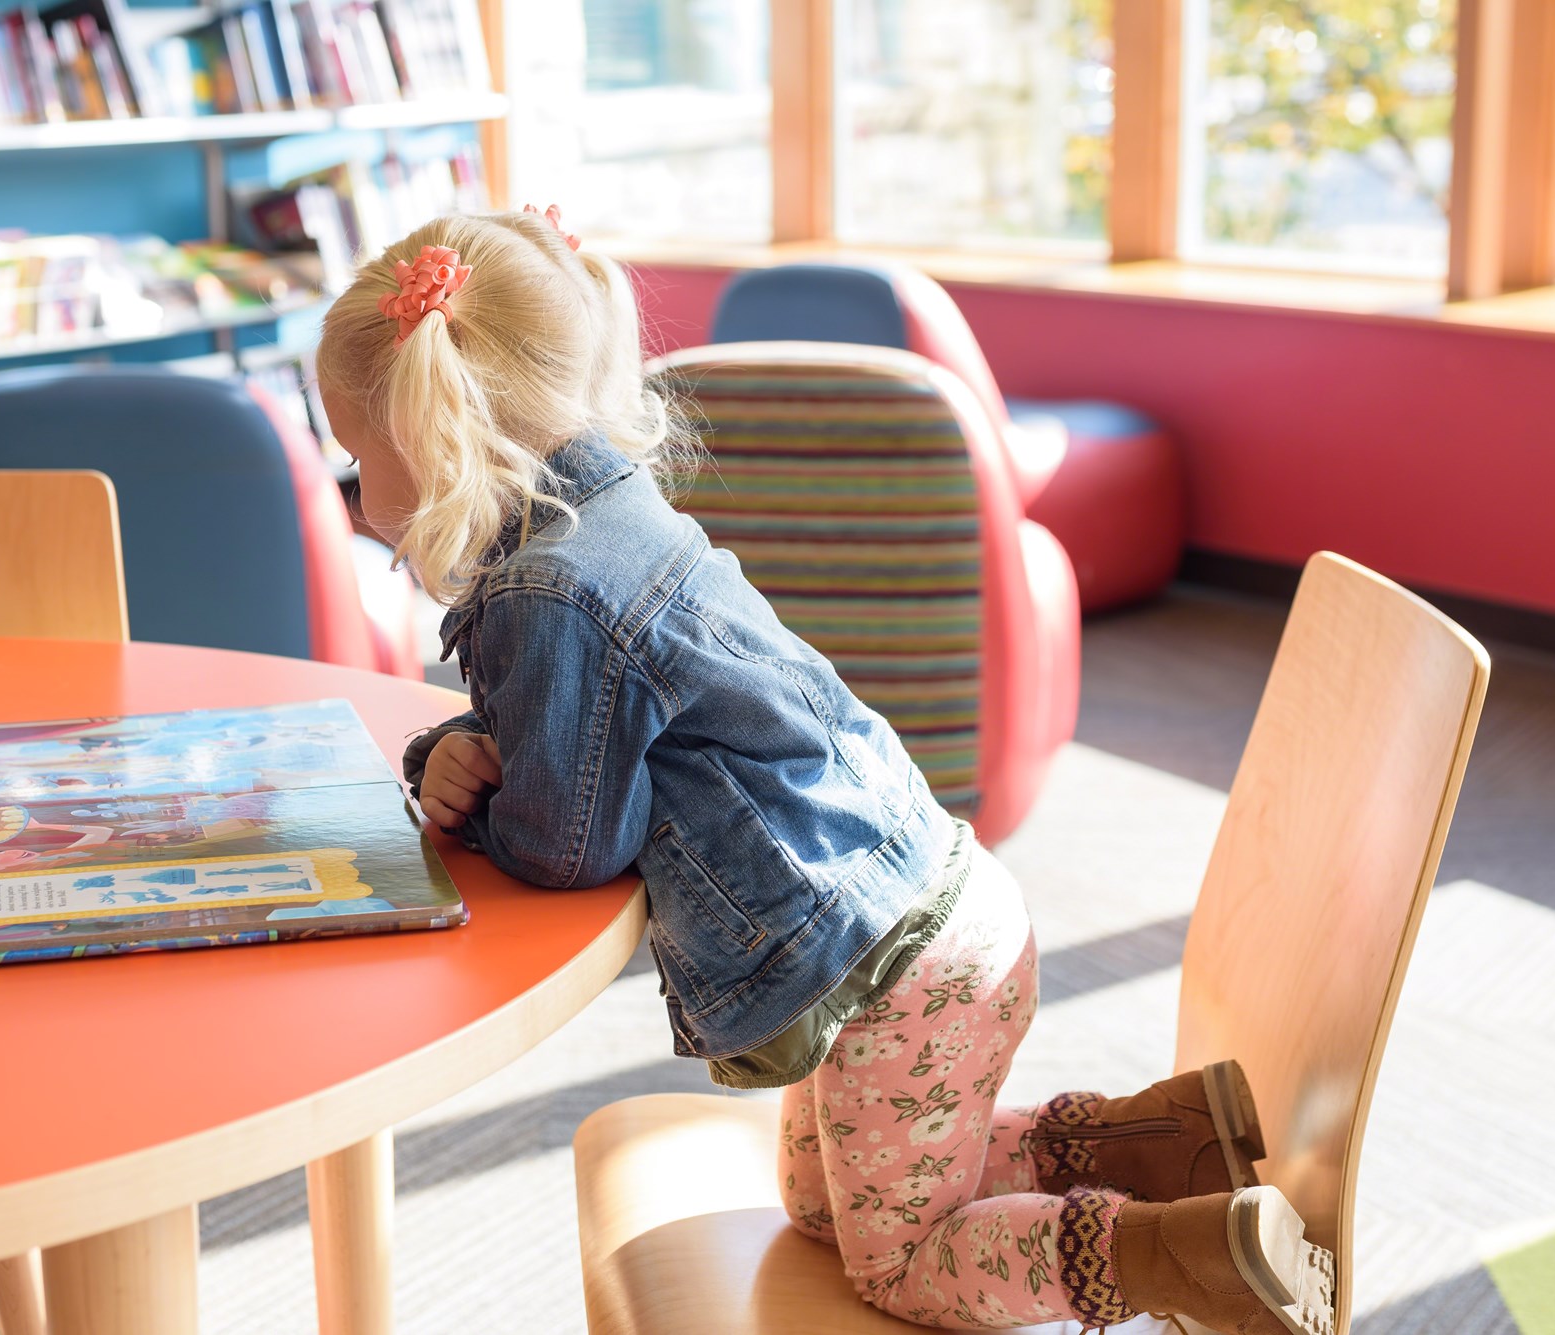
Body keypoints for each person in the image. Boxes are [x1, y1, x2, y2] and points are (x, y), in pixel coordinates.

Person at [313, 206, 1333, 1335]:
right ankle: (1155, 1144)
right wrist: (464, 748)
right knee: (819, 1210)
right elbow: (598, 730)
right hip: (930, 912)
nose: (352, 488)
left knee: (901, 1265)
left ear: (441, 437)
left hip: (890, 970)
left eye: (359, 458)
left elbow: (566, 847)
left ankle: (1184, 1259)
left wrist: (467, 802)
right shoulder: (607, 513)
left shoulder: (544, 592)